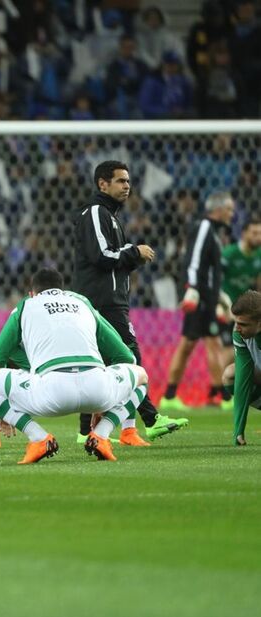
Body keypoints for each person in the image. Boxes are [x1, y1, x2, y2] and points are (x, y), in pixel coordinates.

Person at [0, 268, 150, 464]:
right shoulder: (82, 303)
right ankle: (102, 434)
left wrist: (3, 410)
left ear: (32, 293)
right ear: (63, 290)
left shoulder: (24, 307)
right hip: (98, 390)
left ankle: (37, 437)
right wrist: (106, 401)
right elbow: (125, 356)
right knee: (141, 376)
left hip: (50, 394)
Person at [71, 160, 187, 443]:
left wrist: (130, 257)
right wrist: (134, 252)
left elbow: (111, 260)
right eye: (120, 181)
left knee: (98, 365)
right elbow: (100, 256)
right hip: (103, 303)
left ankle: (86, 431)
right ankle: (151, 420)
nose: (127, 186)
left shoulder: (110, 216)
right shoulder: (97, 213)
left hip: (108, 300)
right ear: (102, 184)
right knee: (130, 359)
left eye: (128, 181)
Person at [161, 191, 235, 411]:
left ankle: (213, 395)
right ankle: (220, 396)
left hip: (207, 297)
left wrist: (220, 296)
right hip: (200, 297)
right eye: (229, 209)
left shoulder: (213, 231)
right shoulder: (204, 227)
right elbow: (193, 261)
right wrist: (192, 290)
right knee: (206, 343)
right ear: (218, 209)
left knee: (197, 343)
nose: (232, 214)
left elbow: (208, 269)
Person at [219, 216, 261, 368]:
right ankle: (224, 390)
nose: (258, 237)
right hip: (226, 307)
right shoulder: (229, 254)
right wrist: (222, 304)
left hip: (248, 310)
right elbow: (216, 280)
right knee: (230, 349)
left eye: (260, 233)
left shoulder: (259, 255)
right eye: (254, 233)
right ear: (244, 233)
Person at [223, 290, 261, 445]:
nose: (237, 328)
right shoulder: (239, 335)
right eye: (236, 322)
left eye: (243, 324)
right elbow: (243, 380)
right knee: (230, 375)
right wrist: (238, 432)